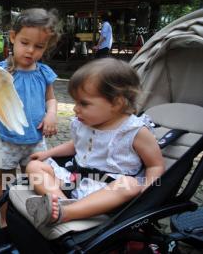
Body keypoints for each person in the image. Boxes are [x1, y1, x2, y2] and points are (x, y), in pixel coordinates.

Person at [24, 58, 165, 228]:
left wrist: (146, 191)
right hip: (74, 179)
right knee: (34, 167)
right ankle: (59, 204)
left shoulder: (134, 131)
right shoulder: (84, 123)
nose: (76, 108)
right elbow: (76, 145)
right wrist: (48, 154)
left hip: (108, 189)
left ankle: (66, 213)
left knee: (130, 185)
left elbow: (155, 165)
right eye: (75, 102)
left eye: (83, 103)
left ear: (117, 102)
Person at [0, 8, 61, 227]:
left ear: (46, 46)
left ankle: (29, 217)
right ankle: (5, 220)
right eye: (25, 43)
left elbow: (51, 99)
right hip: (6, 140)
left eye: (39, 46)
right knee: (6, 182)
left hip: (36, 140)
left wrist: (51, 114)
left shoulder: (44, 73)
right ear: (13, 37)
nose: (31, 51)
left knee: (34, 181)